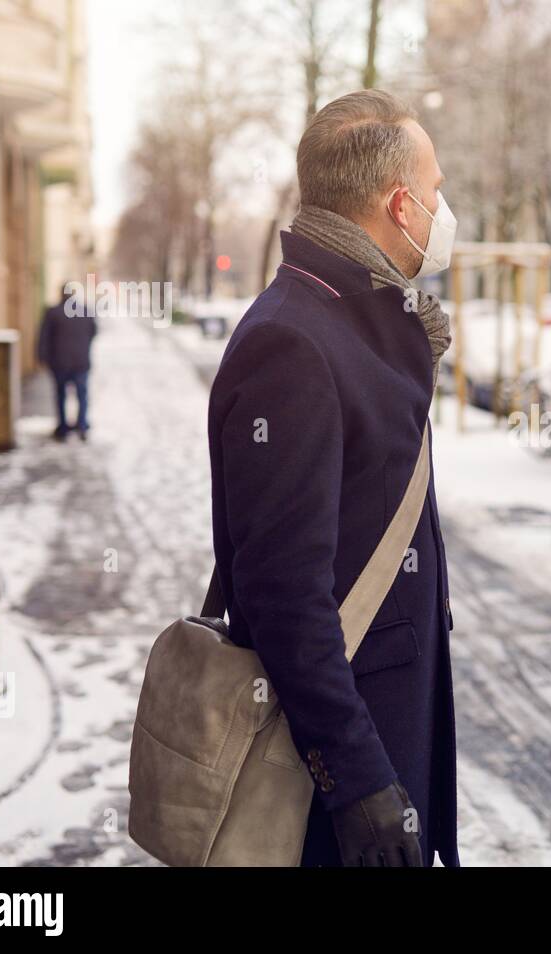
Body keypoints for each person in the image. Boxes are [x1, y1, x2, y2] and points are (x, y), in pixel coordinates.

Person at [207, 90, 459, 867]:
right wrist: (354, 781)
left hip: (383, 730)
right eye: (437, 190)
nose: (445, 210)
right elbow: (283, 592)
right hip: (333, 771)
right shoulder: (294, 341)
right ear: (399, 202)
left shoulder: (357, 320)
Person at [36, 282, 97, 441]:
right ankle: (82, 426)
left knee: (61, 395)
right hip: (80, 362)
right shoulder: (85, 311)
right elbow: (93, 332)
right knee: (81, 396)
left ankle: (63, 428)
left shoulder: (53, 312)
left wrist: (42, 357)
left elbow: (44, 336)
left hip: (59, 362)